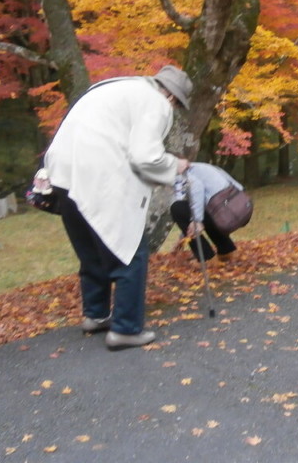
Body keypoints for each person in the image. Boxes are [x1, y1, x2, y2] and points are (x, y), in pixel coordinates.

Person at [44, 65, 192, 351]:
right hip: (99, 173)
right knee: (130, 251)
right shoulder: (156, 102)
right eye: (177, 104)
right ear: (173, 97)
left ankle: (96, 315)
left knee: (91, 247)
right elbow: (145, 157)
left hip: (60, 170)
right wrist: (175, 165)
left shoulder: (112, 88)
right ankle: (126, 329)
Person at [170, 162, 242, 262]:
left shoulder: (180, 174)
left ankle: (206, 258)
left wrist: (197, 221)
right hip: (239, 207)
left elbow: (197, 189)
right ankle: (227, 251)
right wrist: (182, 238)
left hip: (223, 213)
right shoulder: (201, 166)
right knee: (198, 208)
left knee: (177, 208)